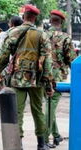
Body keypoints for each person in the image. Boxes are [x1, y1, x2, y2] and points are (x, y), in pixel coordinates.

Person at [0, 4, 54, 150]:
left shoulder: (13, 32)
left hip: (17, 78)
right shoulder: (42, 34)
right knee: (38, 110)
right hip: (36, 80)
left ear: (23, 16)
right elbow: (48, 61)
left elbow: (3, 56)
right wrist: (48, 83)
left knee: (17, 111)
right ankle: (41, 143)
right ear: (35, 18)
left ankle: (16, 143)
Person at [44, 10, 77, 148]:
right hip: (56, 77)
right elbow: (72, 60)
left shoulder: (42, 35)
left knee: (50, 105)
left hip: (41, 76)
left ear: (50, 21)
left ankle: (56, 135)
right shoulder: (65, 38)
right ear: (61, 22)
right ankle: (44, 139)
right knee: (50, 107)